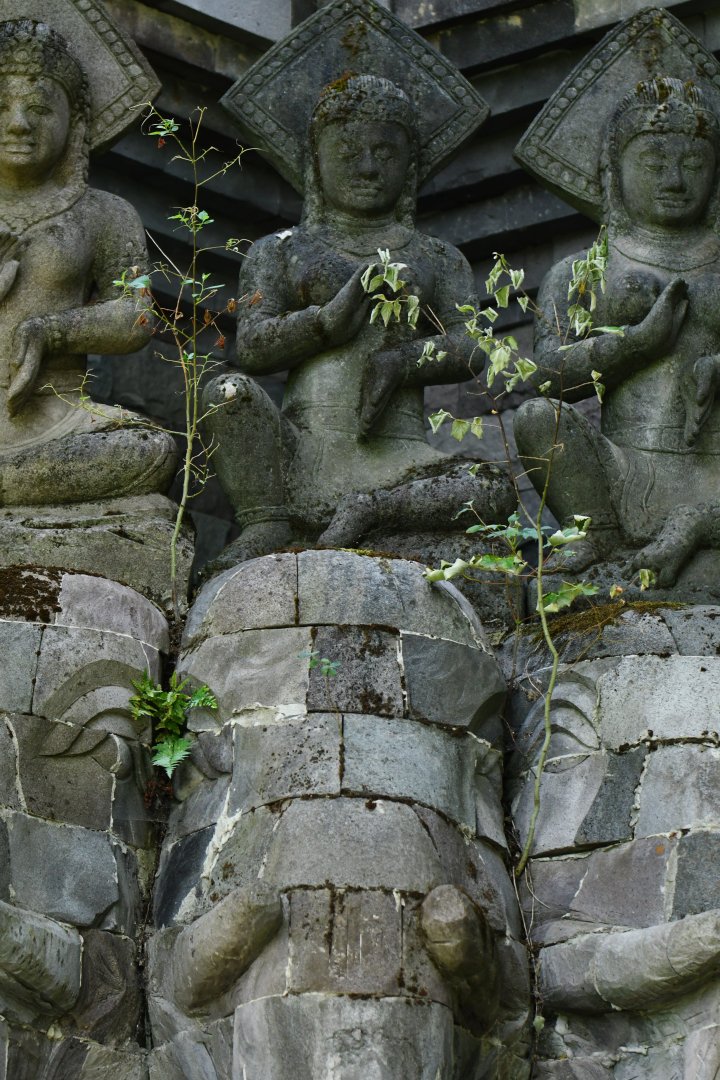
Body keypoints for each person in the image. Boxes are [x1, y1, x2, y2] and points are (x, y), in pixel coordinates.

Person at [203, 75, 513, 568]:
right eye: (347, 152)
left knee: (493, 488)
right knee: (226, 394)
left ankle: (373, 508)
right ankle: (267, 520)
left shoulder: (439, 258)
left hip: (401, 457)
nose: (368, 168)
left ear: (410, 167)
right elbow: (254, 348)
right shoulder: (281, 251)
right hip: (304, 448)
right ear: (315, 162)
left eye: (386, 153)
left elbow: (474, 346)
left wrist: (404, 361)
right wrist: (329, 321)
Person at [515, 76, 720, 588]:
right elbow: (544, 377)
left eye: (693, 165)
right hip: (623, 469)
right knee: (540, 419)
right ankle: (596, 532)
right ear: (614, 171)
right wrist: (636, 345)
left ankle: (696, 526)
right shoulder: (581, 272)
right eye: (653, 165)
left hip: (714, 468)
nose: (674, 181)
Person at [0, 19, 176, 506]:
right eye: (2, 106)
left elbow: (139, 315)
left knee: (151, 449)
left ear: (75, 119)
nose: (18, 123)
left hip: (55, 417)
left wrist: (51, 331)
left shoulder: (105, 214)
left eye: (39, 108)